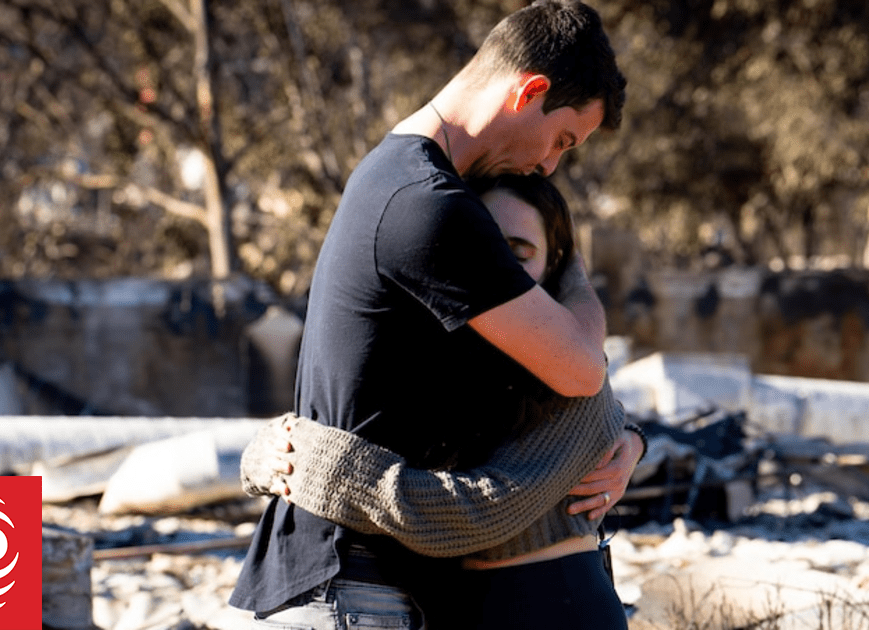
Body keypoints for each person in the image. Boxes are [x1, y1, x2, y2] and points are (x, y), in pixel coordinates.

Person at [228, 2, 630, 628]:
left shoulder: (393, 179)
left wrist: (626, 439)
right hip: (348, 590)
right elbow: (581, 369)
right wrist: (570, 258)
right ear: (531, 91)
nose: (551, 165)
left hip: (351, 587)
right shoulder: (430, 205)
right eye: (562, 139)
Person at [240, 174, 644, 629]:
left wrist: (318, 467)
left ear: (554, 269)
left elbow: (481, 511)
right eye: (486, 248)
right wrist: (268, 454)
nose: (499, 270)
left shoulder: (572, 376)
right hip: (460, 610)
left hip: (556, 606)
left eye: (520, 252)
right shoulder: (447, 360)